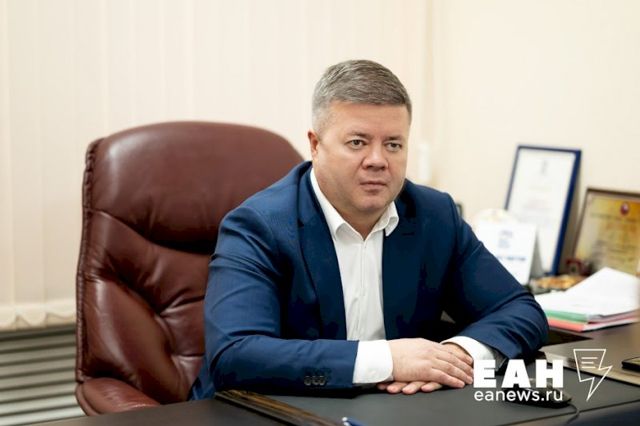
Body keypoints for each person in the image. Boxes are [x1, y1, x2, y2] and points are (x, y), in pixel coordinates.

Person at [189, 59, 548, 399]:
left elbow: (519, 310)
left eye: (393, 144)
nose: (377, 161)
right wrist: (388, 360)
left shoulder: (434, 215)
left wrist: (457, 356)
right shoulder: (259, 226)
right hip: (266, 410)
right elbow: (236, 355)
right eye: (357, 142)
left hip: (393, 409)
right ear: (315, 145)